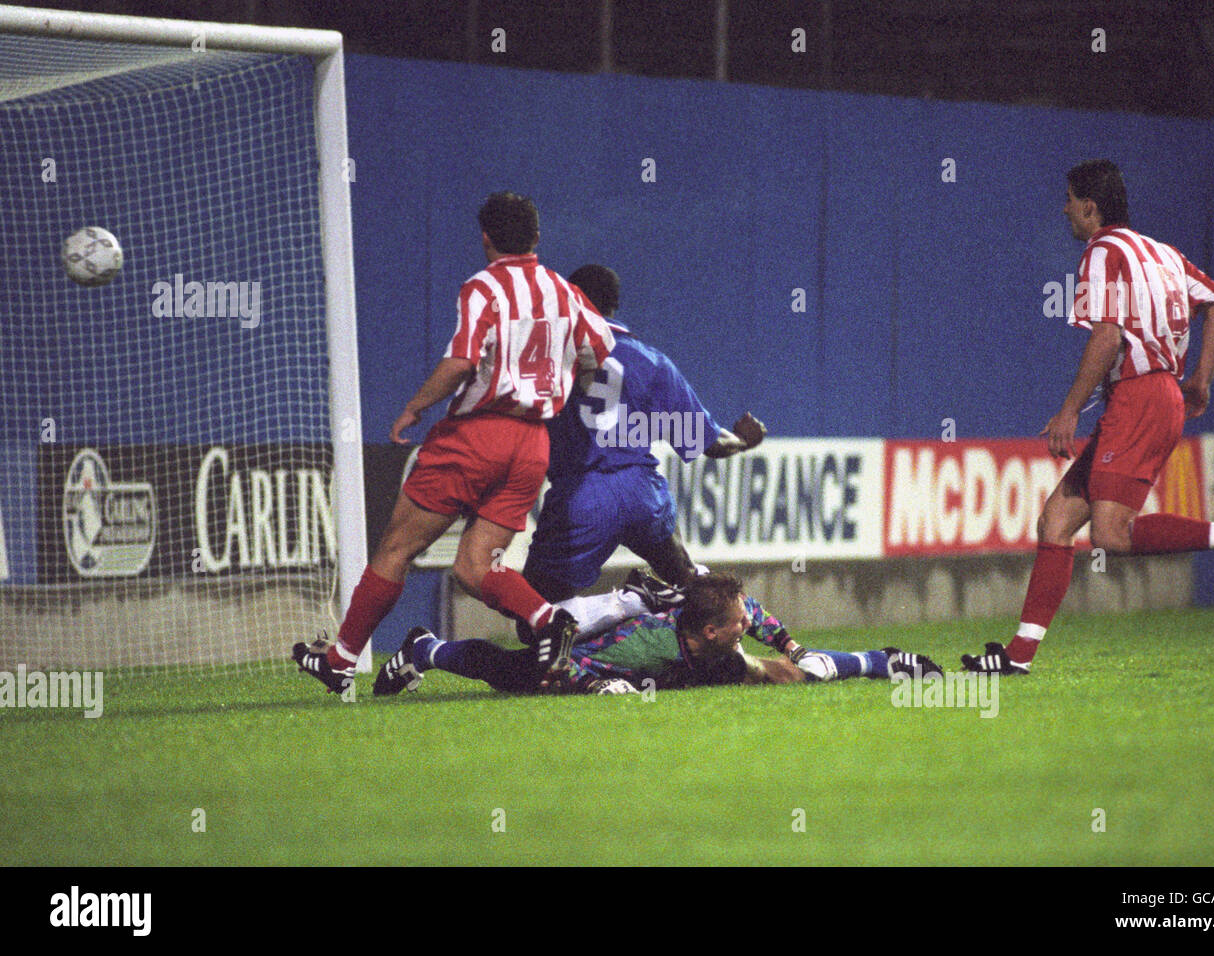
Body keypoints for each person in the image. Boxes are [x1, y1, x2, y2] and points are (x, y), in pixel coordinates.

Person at [962, 160, 1214, 677]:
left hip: (1139, 398)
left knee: (1112, 534)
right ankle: (1017, 658)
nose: (1064, 207)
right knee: (1057, 519)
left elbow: (1108, 335)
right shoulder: (1163, 253)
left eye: (1070, 198)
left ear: (1090, 207)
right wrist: (1201, 378)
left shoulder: (1102, 251)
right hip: (1158, 397)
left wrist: (1069, 408)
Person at [293, 192, 615, 694]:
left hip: (476, 436)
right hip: (532, 445)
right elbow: (599, 351)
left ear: (485, 238)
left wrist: (415, 406)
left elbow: (463, 361)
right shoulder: (563, 291)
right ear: (536, 237)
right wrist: (560, 382)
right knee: (475, 565)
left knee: (397, 547)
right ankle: (547, 617)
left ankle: (341, 658)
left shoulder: (483, 288)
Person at [521, 263, 766, 606]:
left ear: (572, 300)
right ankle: (726, 632)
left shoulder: (549, 355)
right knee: (689, 586)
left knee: (533, 613)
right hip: (642, 494)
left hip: (582, 496)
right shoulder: (651, 361)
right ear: (615, 305)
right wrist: (743, 441)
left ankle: (629, 605)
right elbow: (708, 443)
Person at [372, 571, 942, 696]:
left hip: (687, 663)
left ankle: (883, 660)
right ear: (713, 631)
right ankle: (427, 646)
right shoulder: (641, 643)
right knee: (517, 674)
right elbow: (575, 669)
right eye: (739, 625)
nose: (748, 625)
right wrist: (596, 689)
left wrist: (791, 646)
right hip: (574, 641)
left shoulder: (716, 622)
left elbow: (757, 616)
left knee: (797, 674)